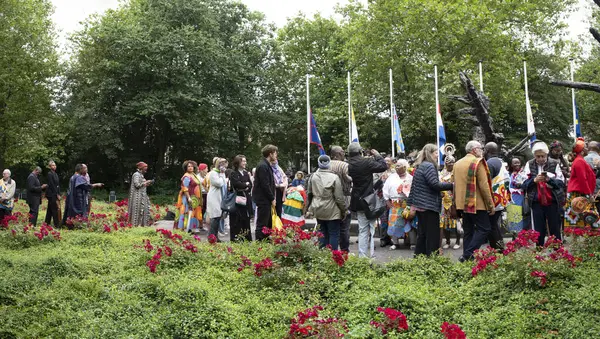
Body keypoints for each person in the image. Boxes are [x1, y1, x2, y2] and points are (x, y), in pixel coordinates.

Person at [408, 144, 453, 256]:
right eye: (436, 153)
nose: (438, 155)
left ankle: (419, 257)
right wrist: (452, 185)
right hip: (428, 205)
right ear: (430, 153)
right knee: (432, 235)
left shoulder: (421, 165)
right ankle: (432, 259)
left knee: (423, 234)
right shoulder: (429, 166)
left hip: (420, 205)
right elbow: (434, 184)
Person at [453, 141, 495, 261]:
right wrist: (490, 204)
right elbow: (484, 186)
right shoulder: (478, 162)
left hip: (462, 204)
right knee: (485, 228)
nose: (482, 150)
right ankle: (467, 254)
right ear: (474, 150)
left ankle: (468, 258)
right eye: (481, 148)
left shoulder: (457, 163)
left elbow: (454, 184)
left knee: (468, 231)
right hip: (477, 203)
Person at [348, 142, 388, 258]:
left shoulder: (348, 164)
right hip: (370, 200)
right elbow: (383, 166)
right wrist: (378, 155)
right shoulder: (366, 162)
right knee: (371, 228)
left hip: (357, 201)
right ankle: (371, 254)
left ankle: (362, 256)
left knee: (362, 229)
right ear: (360, 151)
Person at [521, 141, 565, 246]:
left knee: (554, 227)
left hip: (552, 201)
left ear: (547, 154)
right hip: (536, 201)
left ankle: (557, 251)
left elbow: (561, 182)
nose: (540, 159)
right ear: (534, 156)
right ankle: (539, 250)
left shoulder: (554, 163)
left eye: (542, 156)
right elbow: (523, 184)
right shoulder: (529, 164)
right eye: (538, 156)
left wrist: (549, 180)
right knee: (538, 228)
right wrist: (534, 180)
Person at [306, 155, 346, 250]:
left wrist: (307, 208)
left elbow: (309, 193)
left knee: (322, 232)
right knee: (334, 233)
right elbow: (339, 198)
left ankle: (322, 256)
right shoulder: (335, 177)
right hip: (332, 209)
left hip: (317, 208)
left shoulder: (313, 177)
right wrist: (343, 210)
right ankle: (333, 257)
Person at [565, 138, 599, 228]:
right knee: (585, 220)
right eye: (586, 147)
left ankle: (579, 237)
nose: (588, 149)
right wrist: (589, 194)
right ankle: (579, 238)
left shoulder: (580, 160)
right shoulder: (579, 161)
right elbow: (582, 179)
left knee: (580, 219)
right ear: (582, 150)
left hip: (579, 193)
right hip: (578, 194)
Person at [383, 159, 414, 250]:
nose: (396, 167)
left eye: (399, 165)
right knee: (393, 224)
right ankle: (395, 243)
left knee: (409, 223)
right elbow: (385, 190)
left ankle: (411, 242)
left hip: (407, 204)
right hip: (394, 204)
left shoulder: (410, 178)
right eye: (396, 165)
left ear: (405, 167)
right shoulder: (391, 177)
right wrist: (388, 202)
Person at [484, 142, 510, 250]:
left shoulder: (490, 163)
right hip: (501, 198)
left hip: (494, 199)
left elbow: (485, 181)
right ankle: (498, 248)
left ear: (487, 151)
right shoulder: (500, 162)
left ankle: (499, 249)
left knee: (491, 226)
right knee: (494, 225)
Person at [329, 146, 353, 252]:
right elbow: (351, 179)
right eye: (342, 152)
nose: (344, 154)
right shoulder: (344, 165)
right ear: (338, 154)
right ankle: (344, 252)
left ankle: (330, 251)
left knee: (331, 228)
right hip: (344, 198)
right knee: (344, 227)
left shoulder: (325, 165)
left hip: (329, 200)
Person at [253, 145, 277, 241]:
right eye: (275, 153)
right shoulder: (263, 166)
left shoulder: (266, 165)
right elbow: (265, 184)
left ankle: (265, 241)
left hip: (265, 199)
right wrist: (272, 198)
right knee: (262, 222)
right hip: (263, 199)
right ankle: (260, 242)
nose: (276, 156)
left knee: (267, 222)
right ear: (270, 154)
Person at [229, 155, 253, 241]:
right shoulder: (233, 173)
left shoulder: (246, 173)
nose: (245, 163)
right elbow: (237, 184)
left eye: (245, 161)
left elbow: (250, 185)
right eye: (243, 161)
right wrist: (244, 184)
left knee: (246, 218)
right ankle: (237, 238)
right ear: (238, 162)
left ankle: (247, 238)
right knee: (237, 219)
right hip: (238, 199)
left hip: (246, 198)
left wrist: (245, 185)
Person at [439, 155, 461, 250]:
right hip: (443, 201)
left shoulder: (457, 173)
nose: (450, 165)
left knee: (456, 223)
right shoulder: (441, 174)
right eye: (448, 163)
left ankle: (458, 241)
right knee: (444, 223)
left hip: (454, 200)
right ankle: (447, 241)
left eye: (452, 163)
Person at [176, 161, 202, 232]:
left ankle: (190, 228)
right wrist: (189, 198)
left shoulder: (193, 174)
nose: (190, 167)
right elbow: (185, 188)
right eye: (189, 166)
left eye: (191, 166)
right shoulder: (186, 176)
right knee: (186, 211)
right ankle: (185, 228)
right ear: (186, 168)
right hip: (188, 198)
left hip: (194, 198)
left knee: (192, 212)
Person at [207, 158, 228, 241]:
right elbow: (219, 183)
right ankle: (211, 237)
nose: (224, 167)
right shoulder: (213, 173)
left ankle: (215, 236)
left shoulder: (220, 173)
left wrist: (223, 176)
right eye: (222, 164)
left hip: (220, 197)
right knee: (215, 217)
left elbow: (225, 183)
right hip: (214, 198)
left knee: (218, 217)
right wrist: (223, 175)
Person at [128, 162, 153, 226]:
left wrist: (147, 183)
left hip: (142, 196)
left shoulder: (141, 175)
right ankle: (135, 226)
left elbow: (142, 185)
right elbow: (137, 185)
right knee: (137, 211)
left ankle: (142, 225)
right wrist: (145, 182)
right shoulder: (136, 175)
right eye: (145, 168)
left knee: (144, 210)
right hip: (137, 197)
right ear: (141, 168)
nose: (146, 169)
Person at [507, 158, 528, 233]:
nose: (517, 164)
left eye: (518, 162)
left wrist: (521, 184)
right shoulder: (509, 173)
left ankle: (521, 233)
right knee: (513, 215)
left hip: (520, 196)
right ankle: (514, 234)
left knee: (521, 214)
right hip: (512, 197)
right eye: (515, 163)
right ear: (511, 165)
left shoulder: (523, 173)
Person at [44, 161, 61, 228]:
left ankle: (47, 223)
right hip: (51, 194)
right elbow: (52, 185)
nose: (54, 166)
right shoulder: (49, 174)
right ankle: (57, 224)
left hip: (55, 193)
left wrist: (59, 193)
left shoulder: (55, 174)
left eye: (55, 165)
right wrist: (56, 194)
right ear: (50, 167)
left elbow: (57, 185)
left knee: (50, 210)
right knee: (54, 209)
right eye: (53, 165)